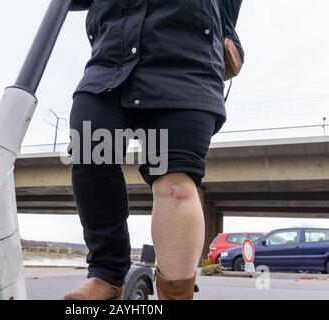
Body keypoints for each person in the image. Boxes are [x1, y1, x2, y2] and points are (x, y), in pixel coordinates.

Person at [64, 0, 241, 300]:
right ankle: (107, 275)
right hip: (111, 61)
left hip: (186, 63)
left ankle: (174, 294)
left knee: (174, 183)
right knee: (90, 154)